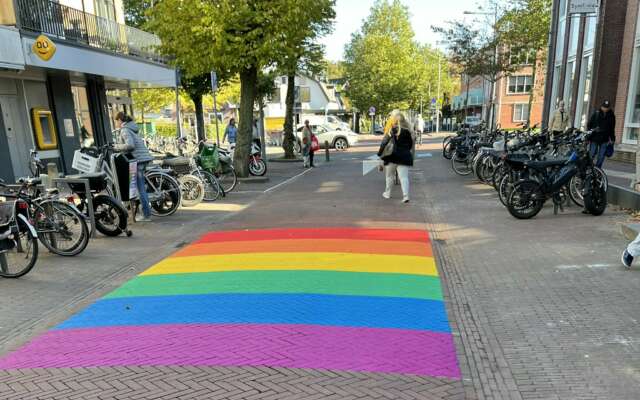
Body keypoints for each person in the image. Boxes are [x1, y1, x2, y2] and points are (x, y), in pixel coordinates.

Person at [113, 112, 153, 222]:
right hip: (143, 158)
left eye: (116, 121)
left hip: (138, 160)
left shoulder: (125, 130)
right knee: (139, 187)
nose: (115, 123)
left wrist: (116, 147)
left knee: (140, 189)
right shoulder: (131, 128)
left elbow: (130, 145)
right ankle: (141, 211)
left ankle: (146, 214)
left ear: (120, 120)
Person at [377, 112, 414, 203]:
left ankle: (387, 193)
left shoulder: (391, 130)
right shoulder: (407, 132)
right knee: (404, 177)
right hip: (404, 157)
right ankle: (406, 196)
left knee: (389, 176)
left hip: (392, 157)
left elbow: (384, 143)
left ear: (394, 121)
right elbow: (410, 145)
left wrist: (379, 154)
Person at [587, 100, 616, 168]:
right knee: (592, 154)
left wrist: (612, 139)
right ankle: (589, 168)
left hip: (604, 139)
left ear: (609, 108)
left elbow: (612, 128)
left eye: (607, 107)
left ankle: (597, 170)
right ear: (601, 107)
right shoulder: (596, 113)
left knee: (601, 157)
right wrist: (588, 137)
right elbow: (589, 125)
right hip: (595, 138)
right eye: (604, 107)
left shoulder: (612, 116)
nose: (605, 109)